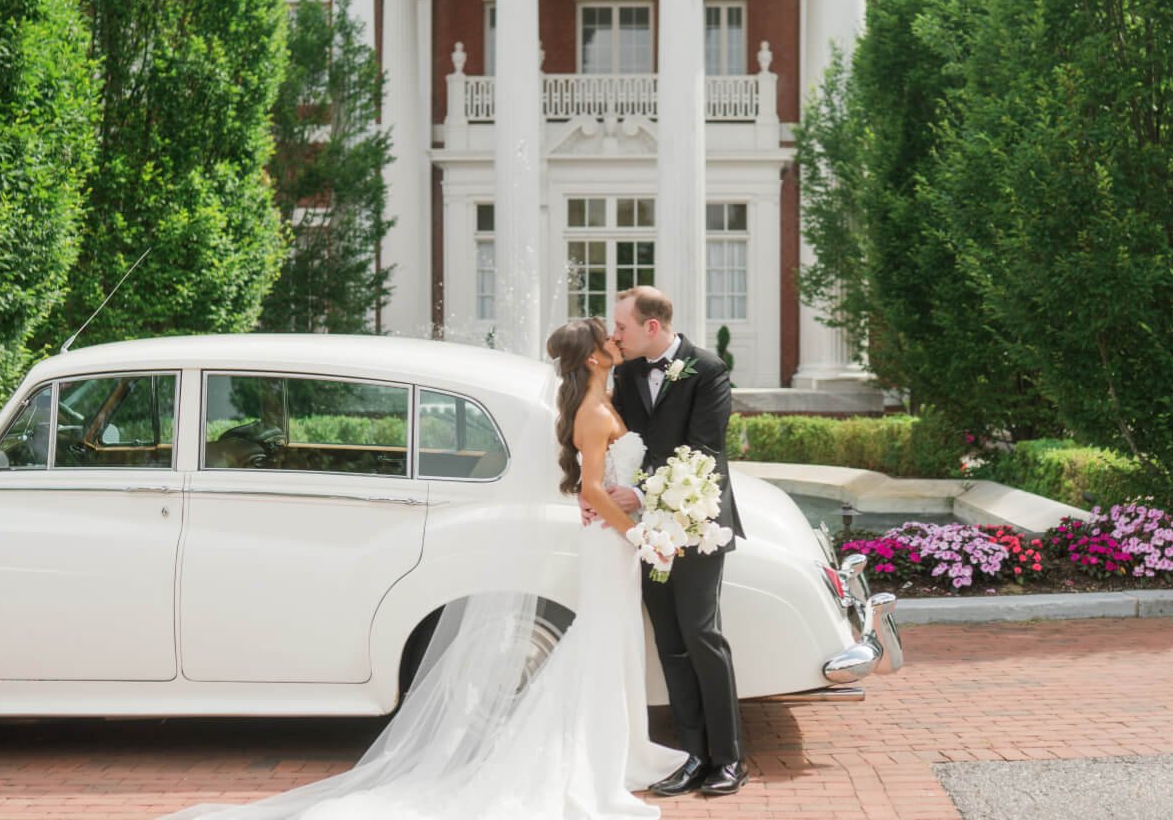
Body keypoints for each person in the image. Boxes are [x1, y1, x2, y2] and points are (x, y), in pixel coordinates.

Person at [165, 317, 685, 820]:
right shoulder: (594, 414)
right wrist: (640, 535)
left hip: (612, 538)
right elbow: (592, 488)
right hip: (610, 541)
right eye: (608, 336)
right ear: (593, 356)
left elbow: (602, 485)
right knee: (601, 637)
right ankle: (601, 752)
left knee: (612, 638)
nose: (617, 339)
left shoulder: (602, 402)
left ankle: (621, 747)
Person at [591, 286, 747, 797]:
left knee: (703, 636)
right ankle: (693, 755)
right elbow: (622, 439)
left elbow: (704, 447)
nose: (616, 335)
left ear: (651, 326)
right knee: (671, 644)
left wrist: (638, 490)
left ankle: (729, 759)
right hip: (649, 535)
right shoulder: (630, 372)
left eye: (622, 327)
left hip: (697, 524)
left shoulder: (707, 369)